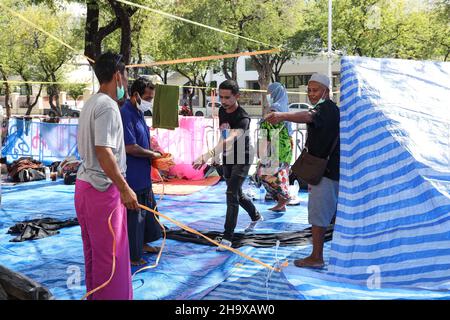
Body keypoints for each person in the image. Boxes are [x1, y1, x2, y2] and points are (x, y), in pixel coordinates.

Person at [75, 52, 138, 300]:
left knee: (95, 254)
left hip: (86, 188)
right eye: (125, 75)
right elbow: (104, 151)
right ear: (117, 76)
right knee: (111, 258)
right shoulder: (108, 106)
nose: (126, 81)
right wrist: (124, 188)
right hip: (102, 191)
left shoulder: (91, 102)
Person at [265, 73, 339, 268]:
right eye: (309, 91)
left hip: (325, 172)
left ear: (327, 91)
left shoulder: (325, 109)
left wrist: (282, 115)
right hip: (327, 170)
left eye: (315, 90)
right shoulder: (329, 109)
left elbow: (308, 116)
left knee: (319, 216)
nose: (311, 94)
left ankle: (317, 257)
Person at [192, 80, 263, 250]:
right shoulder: (222, 111)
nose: (223, 101)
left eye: (227, 97)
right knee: (236, 192)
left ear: (237, 96)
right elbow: (223, 135)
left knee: (231, 194)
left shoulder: (243, 118)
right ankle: (256, 216)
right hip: (228, 155)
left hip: (243, 157)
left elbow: (231, 138)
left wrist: (208, 154)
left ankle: (227, 238)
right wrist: (217, 156)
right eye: (221, 97)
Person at [120, 77, 163, 266]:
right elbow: (130, 146)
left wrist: (155, 153)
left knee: (147, 213)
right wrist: (152, 154)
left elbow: (142, 139)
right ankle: (133, 254)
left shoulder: (138, 113)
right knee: (134, 217)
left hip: (144, 175)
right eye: (148, 97)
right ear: (136, 95)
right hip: (132, 175)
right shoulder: (125, 114)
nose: (150, 101)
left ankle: (143, 244)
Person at [256, 82, 293, 212]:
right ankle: (281, 202)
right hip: (285, 147)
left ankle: (284, 197)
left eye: (269, 93)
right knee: (281, 174)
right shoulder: (285, 107)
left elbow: (268, 131)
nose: (268, 96)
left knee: (263, 173)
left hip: (275, 148)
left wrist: (262, 152)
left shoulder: (275, 108)